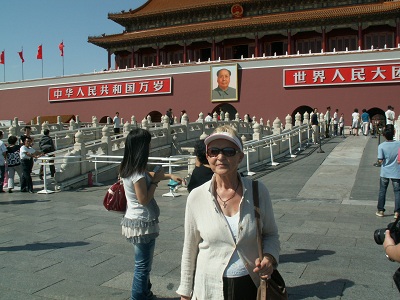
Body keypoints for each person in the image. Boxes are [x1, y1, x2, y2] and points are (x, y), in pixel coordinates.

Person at [177, 125, 280, 300]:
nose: (220, 157)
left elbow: (271, 234)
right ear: (207, 156)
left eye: (229, 151)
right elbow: (190, 248)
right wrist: (185, 293)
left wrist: (269, 258)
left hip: (250, 285)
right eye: (214, 151)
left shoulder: (258, 191)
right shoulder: (196, 197)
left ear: (240, 156)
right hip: (209, 287)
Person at [119, 128, 182, 300]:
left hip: (134, 221)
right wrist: (155, 182)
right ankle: (137, 297)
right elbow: (144, 199)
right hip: (141, 222)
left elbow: (150, 175)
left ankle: (145, 293)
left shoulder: (129, 168)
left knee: (143, 264)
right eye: (147, 143)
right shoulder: (138, 173)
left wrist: (169, 175)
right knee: (142, 266)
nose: (150, 146)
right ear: (141, 147)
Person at [375, 128, 400, 218]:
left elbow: (380, 160)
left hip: (385, 171)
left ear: (384, 135)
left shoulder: (381, 146)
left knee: (382, 191)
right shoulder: (399, 144)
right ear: (394, 133)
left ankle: (381, 210)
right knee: (397, 192)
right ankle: (397, 212)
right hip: (396, 171)